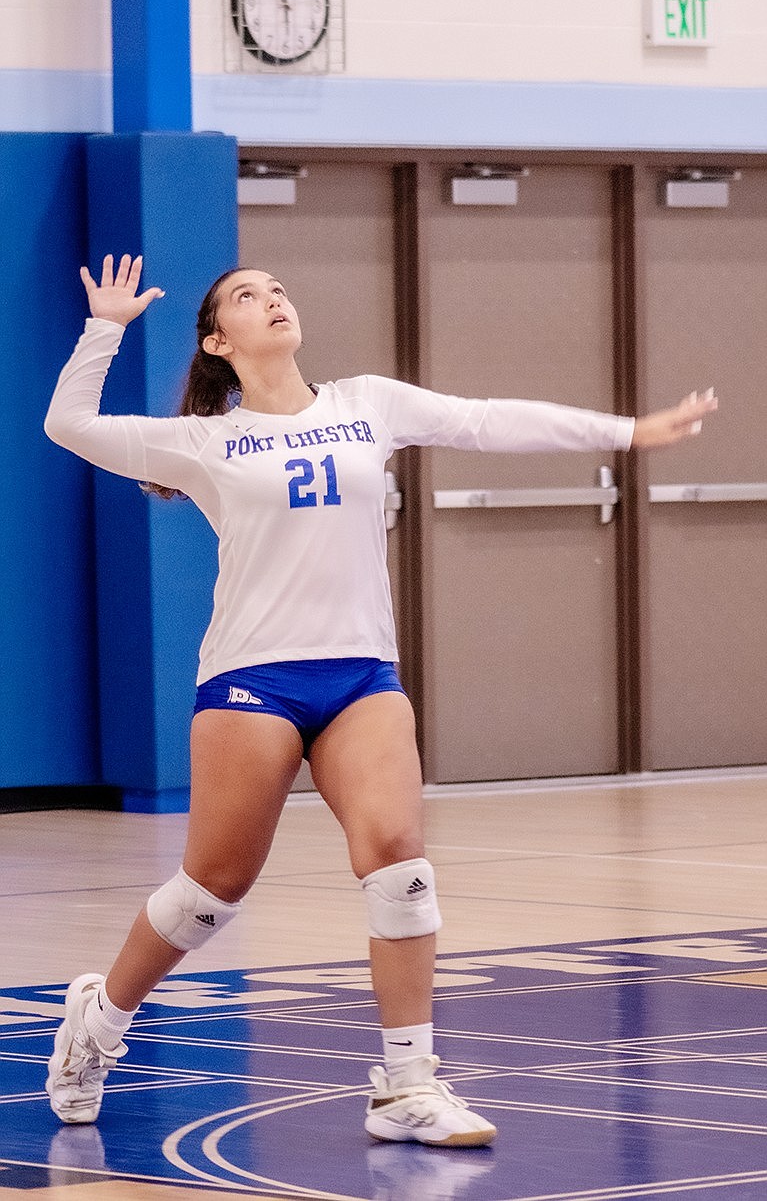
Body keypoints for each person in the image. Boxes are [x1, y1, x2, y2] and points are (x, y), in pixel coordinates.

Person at [43, 253, 717, 1148]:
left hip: (360, 672)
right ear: (218, 340)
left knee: (399, 864)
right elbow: (68, 423)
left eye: (278, 287)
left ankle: (407, 1086)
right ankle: (100, 1017)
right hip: (253, 677)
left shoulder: (366, 403)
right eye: (247, 295)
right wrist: (107, 328)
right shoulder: (204, 440)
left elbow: (485, 421)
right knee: (211, 893)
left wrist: (628, 432)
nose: (272, 298)